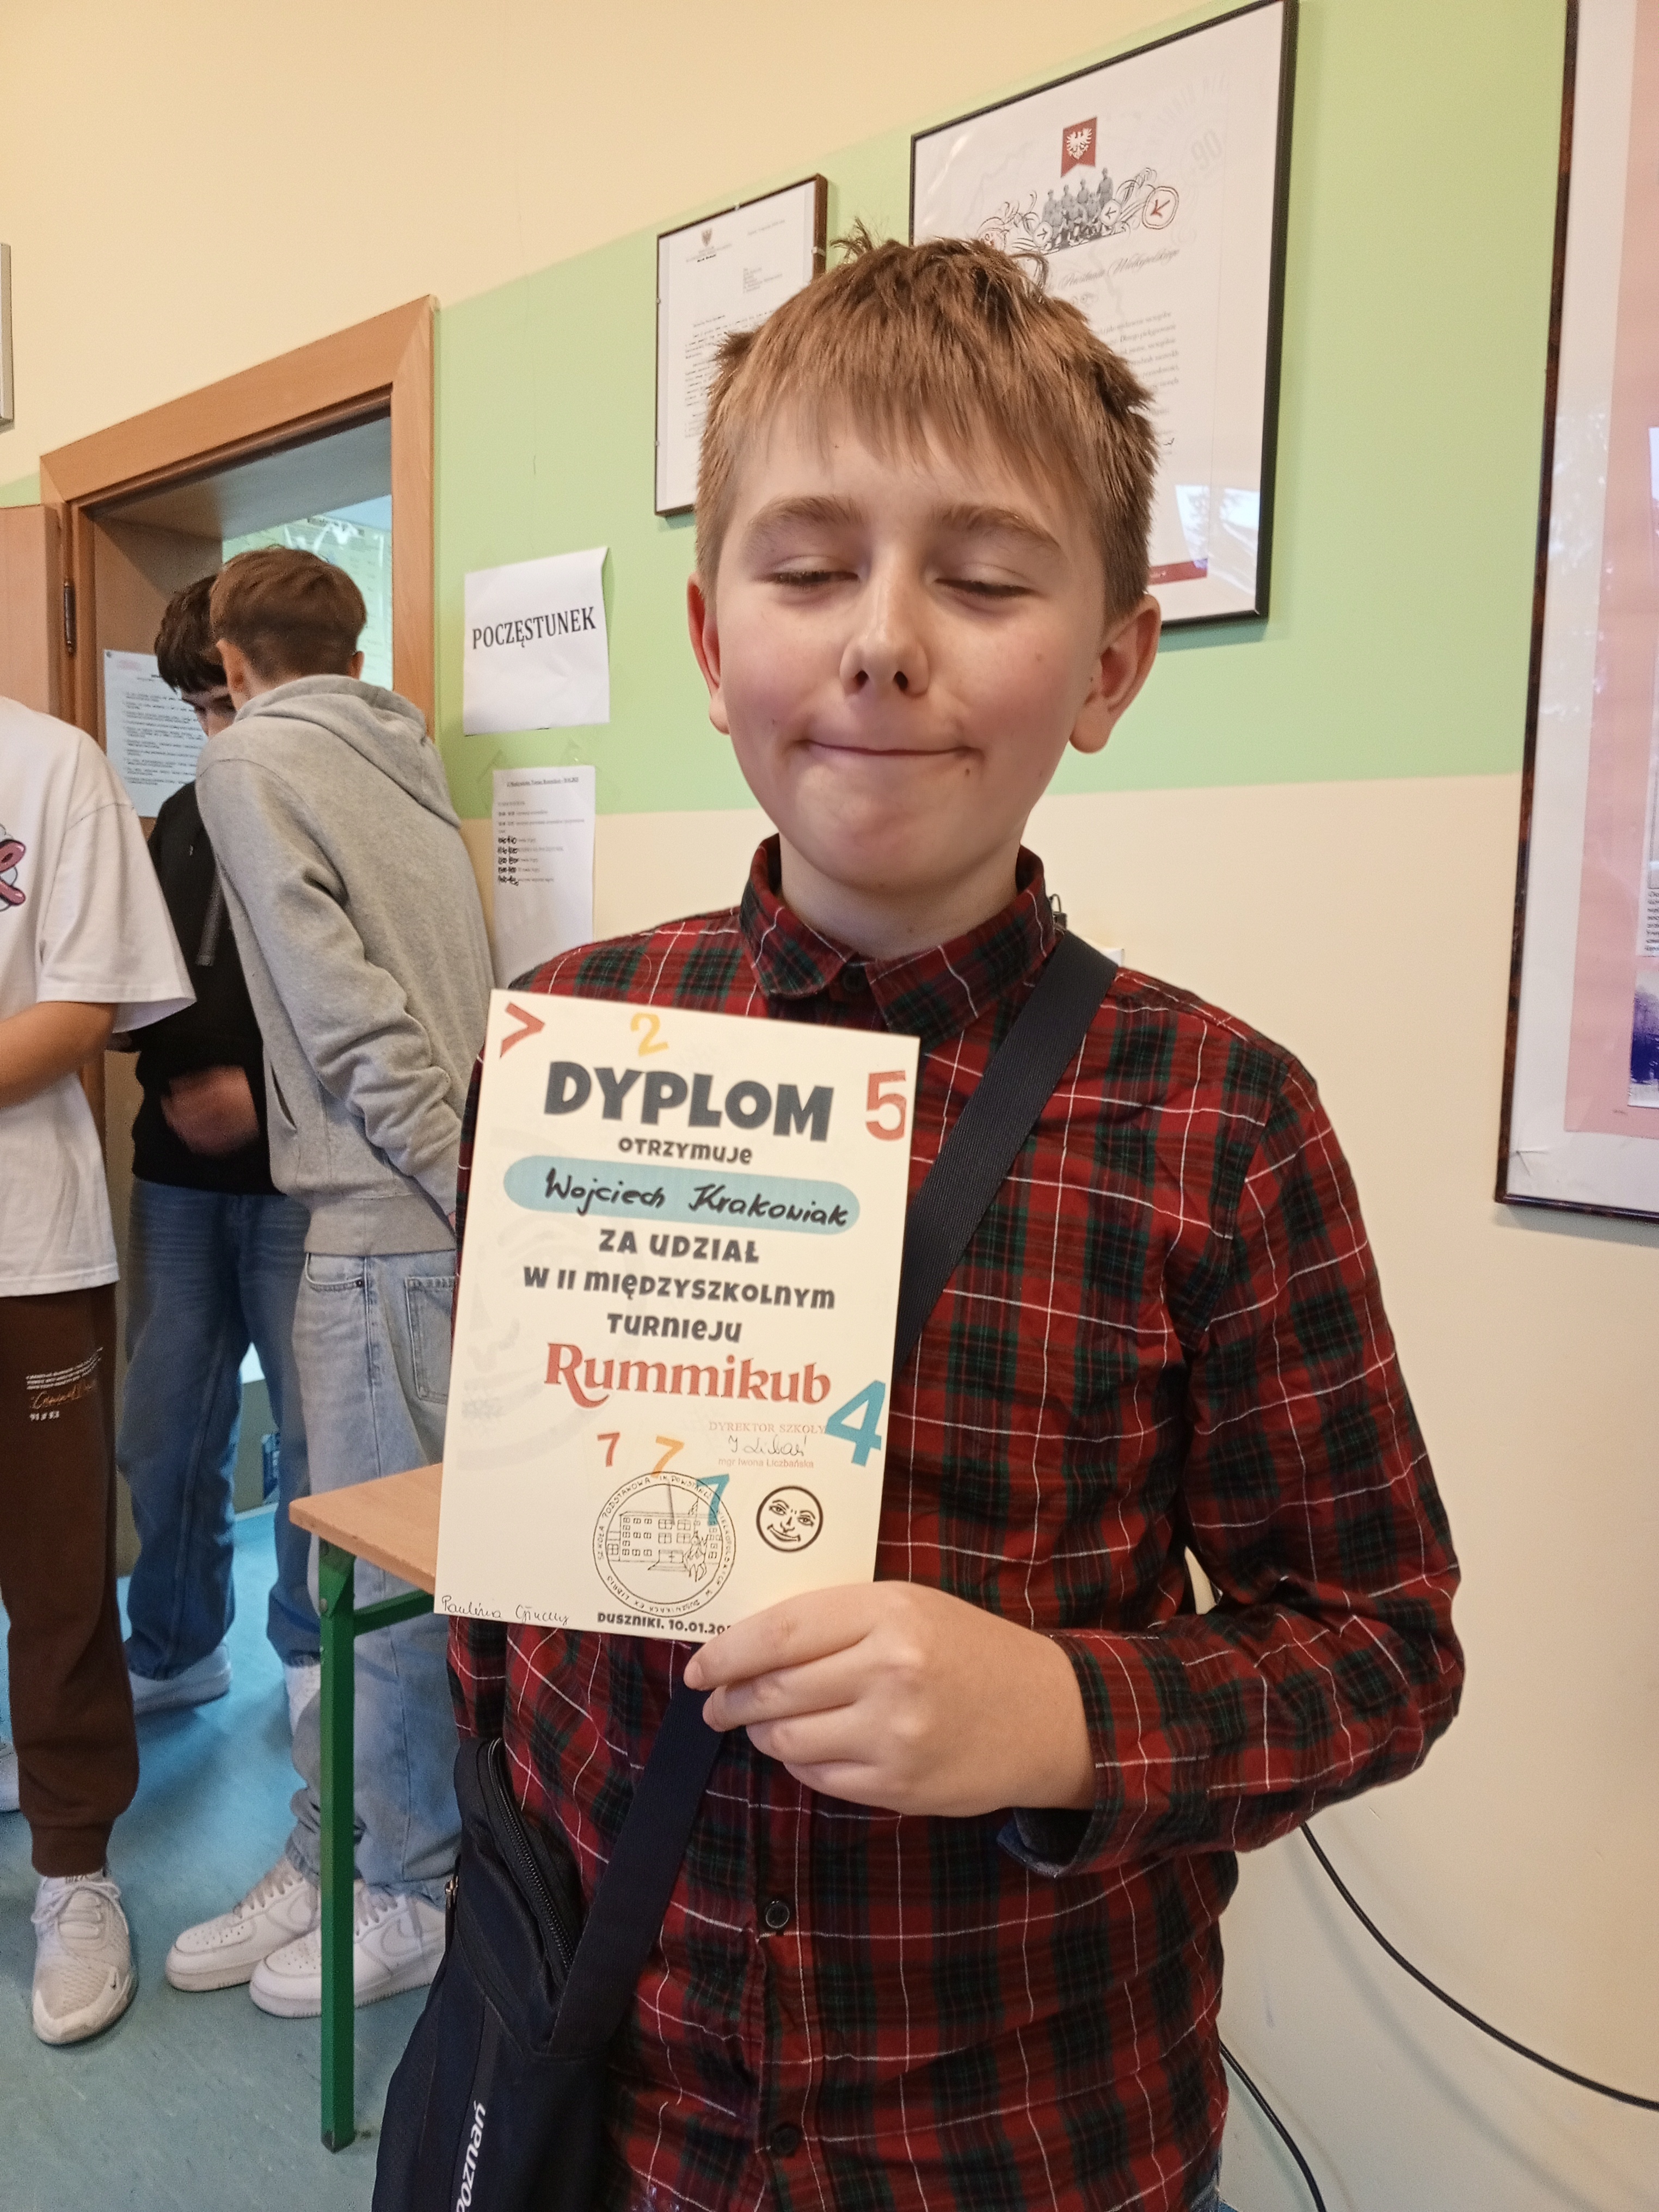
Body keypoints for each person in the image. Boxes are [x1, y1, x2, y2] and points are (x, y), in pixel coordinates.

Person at [445, 231, 1465, 2212]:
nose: (881, 642)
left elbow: (1381, 1650)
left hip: (1024, 2143)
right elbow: (505, 1588)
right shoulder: (569, 1041)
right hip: (616, 2109)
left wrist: (1060, 1715)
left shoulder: (1220, 1121)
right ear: (707, 638)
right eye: (808, 568)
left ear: (1108, 666)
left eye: (983, 580)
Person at [168, 547, 493, 2019]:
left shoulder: (247, 764)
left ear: (233, 668)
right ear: (351, 653)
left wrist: (456, 1190)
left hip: (384, 1220)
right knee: (375, 1573)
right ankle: (340, 1847)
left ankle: (403, 1883)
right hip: (429, 1214)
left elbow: (347, 1014)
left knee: (377, 1587)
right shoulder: (403, 751)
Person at [0, 692, 193, 2045]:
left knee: (59, 1573)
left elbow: (80, 1010)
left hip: (26, 1247)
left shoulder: (50, 765)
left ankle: (73, 1869)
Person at [115, 577, 319, 1760]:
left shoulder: (329, 797)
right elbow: (148, 978)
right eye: (198, 710)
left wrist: (263, 1094)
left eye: (227, 704)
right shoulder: (185, 811)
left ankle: (310, 1658)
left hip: (300, 1181)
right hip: (179, 1182)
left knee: (316, 1436)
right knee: (163, 1429)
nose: (214, 731)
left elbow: (355, 1005)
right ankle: (176, 1648)